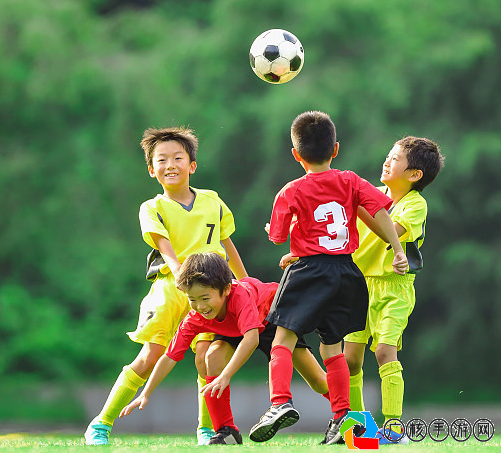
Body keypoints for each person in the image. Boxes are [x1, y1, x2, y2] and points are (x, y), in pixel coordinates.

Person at [249, 111, 408, 445]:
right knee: (332, 348)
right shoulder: (350, 180)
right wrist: (397, 250)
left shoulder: (290, 191)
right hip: (347, 272)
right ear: (335, 149)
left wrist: (285, 234)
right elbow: (380, 211)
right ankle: (341, 419)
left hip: (308, 271)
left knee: (282, 339)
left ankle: (279, 403)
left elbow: (278, 237)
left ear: (296, 155)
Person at [84, 127, 247, 446]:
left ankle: (206, 429)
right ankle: (101, 424)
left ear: (192, 165)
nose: (170, 164)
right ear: (151, 169)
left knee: (207, 357)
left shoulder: (212, 201)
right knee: (152, 354)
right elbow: (166, 249)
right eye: (161, 159)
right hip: (170, 289)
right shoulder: (152, 207)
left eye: (178, 157)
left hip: (212, 291)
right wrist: (182, 276)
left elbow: (227, 243)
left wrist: (246, 282)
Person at [119, 252, 331, 445]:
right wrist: (146, 393)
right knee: (213, 357)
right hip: (235, 328)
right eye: (192, 299)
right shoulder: (197, 316)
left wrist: (226, 375)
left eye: (205, 298)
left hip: (272, 316)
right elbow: (170, 356)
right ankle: (226, 430)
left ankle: (351, 416)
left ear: (226, 289)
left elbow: (251, 339)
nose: (200, 306)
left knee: (318, 381)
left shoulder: (240, 296)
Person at [344, 136, 445, 444]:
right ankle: (357, 427)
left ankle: (393, 428)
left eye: (395, 158)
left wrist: (356, 203)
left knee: (386, 352)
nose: (387, 161)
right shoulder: (372, 195)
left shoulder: (415, 204)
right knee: (349, 360)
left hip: (394, 289)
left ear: (415, 174)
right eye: (388, 156)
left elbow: (389, 232)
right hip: (359, 286)